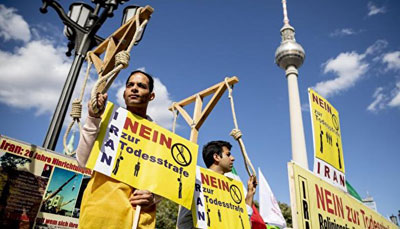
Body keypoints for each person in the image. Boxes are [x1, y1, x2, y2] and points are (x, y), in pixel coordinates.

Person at [76, 70, 160, 229]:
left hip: (137, 220)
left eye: (141, 86)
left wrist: (154, 197)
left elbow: (163, 180)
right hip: (98, 215)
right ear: (124, 92)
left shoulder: (159, 136)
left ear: (151, 96)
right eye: (130, 85)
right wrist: (93, 118)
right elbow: (82, 161)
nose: (134, 88)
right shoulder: (106, 120)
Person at [177, 140, 257, 228]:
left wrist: (250, 193)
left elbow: (242, 219)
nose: (233, 158)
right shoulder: (198, 180)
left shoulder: (231, 186)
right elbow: (184, 221)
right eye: (228, 154)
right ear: (216, 157)